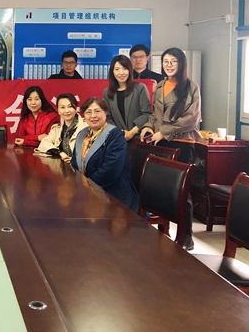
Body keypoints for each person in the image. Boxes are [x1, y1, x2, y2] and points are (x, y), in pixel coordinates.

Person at [140, 47, 202, 250]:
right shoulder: (159, 86)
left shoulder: (191, 87)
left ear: (181, 63)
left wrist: (164, 132)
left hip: (182, 143)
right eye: (165, 61)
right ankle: (163, 230)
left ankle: (186, 235)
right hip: (160, 142)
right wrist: (148, 127)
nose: (169, 65)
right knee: (162, 188)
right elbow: (154, 114)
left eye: (173, 61)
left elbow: (191, 119)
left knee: (181, 190)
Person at [71, 97, 138, 212]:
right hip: (87, 194)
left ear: (106, 112)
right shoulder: (82, 134)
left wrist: (88, 186)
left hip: (112, 195)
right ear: (83, 115)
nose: (93, 116)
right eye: (88, 112)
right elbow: (74, 162)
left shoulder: (115, 135)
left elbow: (111, 168)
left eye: (97, 111)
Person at [103, 55, 151, 141]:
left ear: (130, 70)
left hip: (139, 138)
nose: (121, 73)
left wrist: (132, 132)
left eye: (125, 68)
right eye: (117, 69)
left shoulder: (140, 88)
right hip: (118, 139)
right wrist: (120, 132)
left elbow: (146, 114)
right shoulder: (107, 92)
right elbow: (108, 117)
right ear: (112, 72)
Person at [38, 93, 88, 163]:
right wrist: (59, 153)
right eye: (62, 107)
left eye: (70, 106)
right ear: (58, 111)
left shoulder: (87, 126)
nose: (66, 111)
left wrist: (74, 160)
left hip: (81, 167)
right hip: (62, 166)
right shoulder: (56, 129)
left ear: (76, 109)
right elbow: (44, 143)